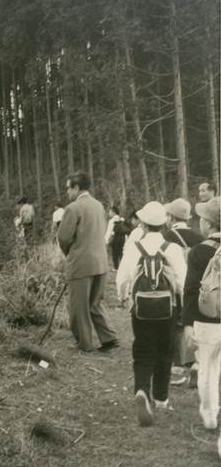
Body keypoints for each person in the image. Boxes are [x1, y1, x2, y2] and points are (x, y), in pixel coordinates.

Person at [116, 201, 187, 427]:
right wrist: (182, 308)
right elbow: (182, 282)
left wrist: (123, 298)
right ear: (164, 225)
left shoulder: (133, 247)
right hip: (168, 309)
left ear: (144, 225)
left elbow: (122, 279)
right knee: (165, 351)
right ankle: (161, 398)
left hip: (141, 308)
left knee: (143, 348)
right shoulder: (172, 248)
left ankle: (142, 391)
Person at [58, 171, 118, 352]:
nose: (67, 192)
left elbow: (63, 238)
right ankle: (108, 338)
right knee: (95, 303)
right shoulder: (99, 205)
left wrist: (71, 253)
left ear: (76, 187)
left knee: (79, 307)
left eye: (68, 188)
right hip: (100, 262)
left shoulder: (72, 208)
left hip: (81, 263)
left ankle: (84, 343)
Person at [183, 196, 221, 456]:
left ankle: (209, 415)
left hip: (205, 320)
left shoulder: (199, 251)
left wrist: (187, 324)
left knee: (206, 368)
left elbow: (189, 290)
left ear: (208, 223)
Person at [164, 198, 204, 385]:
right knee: (196, 323)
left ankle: (178, 365)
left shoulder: (167, 237)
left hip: (176, 287)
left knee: (176, 326)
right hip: (198, 286)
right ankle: (196, 362)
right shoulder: (199, 237)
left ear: (171, 217)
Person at [105, 206, 126, 270]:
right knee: (121, 253)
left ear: (113, 212)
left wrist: (106, 240)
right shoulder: (122, 219)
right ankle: (123, 267)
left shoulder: (112, 221)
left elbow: (109, 231)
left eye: (110, 212)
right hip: (122, 238)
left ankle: (116, 268)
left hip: (115, 238)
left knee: (115, 254)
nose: (109, 213)